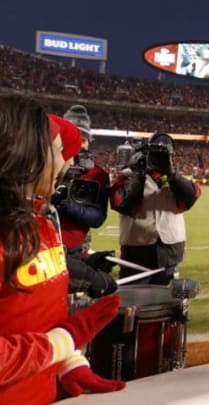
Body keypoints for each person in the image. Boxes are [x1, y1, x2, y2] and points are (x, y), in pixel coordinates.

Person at [0, 94, 124, 403]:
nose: (67, 163)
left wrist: (68, 362)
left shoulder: (41, 223)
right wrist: (62, 342)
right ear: (29, 155)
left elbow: (38, 317)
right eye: (59, 150)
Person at [110, 132, 202, 285]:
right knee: (133, 301)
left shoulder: (176, 177)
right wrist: (138, 174)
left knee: (167, 302)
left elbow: (190, 197)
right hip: (136, 252)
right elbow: (124, 205)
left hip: (169, 252)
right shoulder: (127, 175)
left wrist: (171, 175)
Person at [54, 104, 117, 298]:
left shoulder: (97, 174)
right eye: (72, 136)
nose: (79, 144)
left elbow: (97, 217)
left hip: (74, 250)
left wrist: (67, 205)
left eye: (83, 139)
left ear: (89, 141)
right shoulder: (46, 165)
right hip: (43, 248)